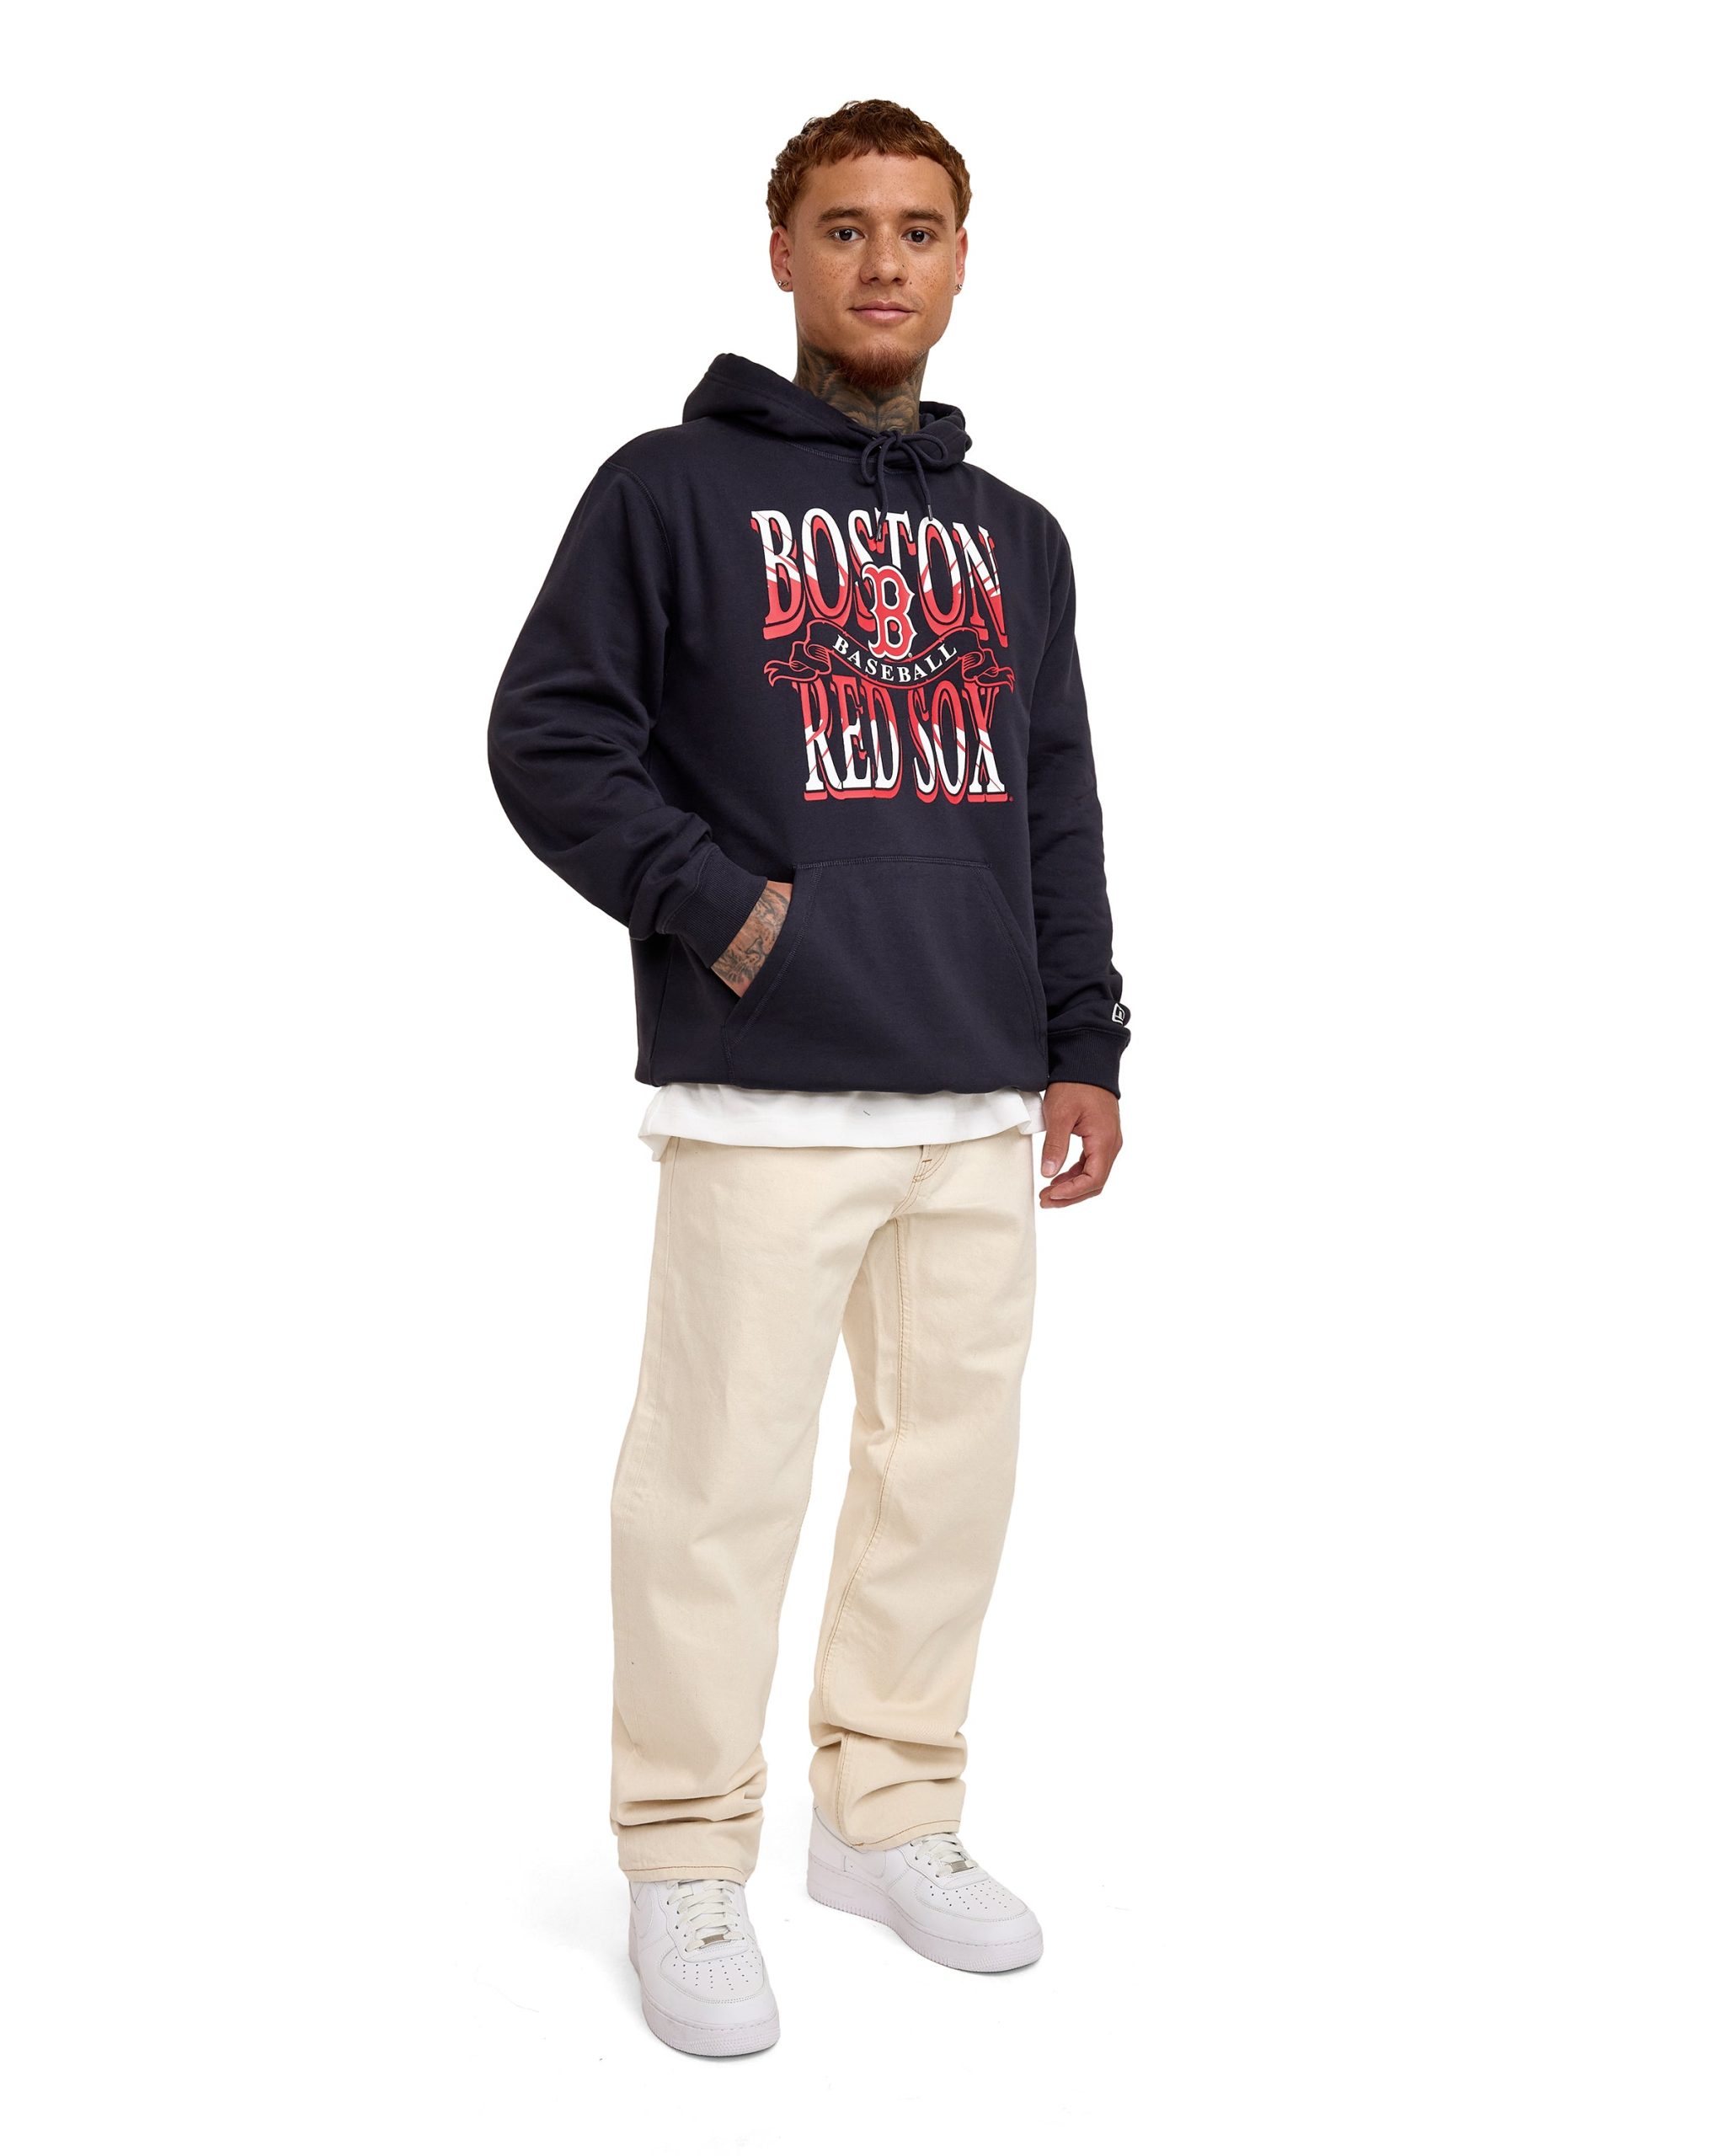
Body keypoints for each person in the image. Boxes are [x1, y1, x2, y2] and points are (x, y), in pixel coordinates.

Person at [488, 98, 1130, 2057]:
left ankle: (888, 1814)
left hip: (971, 1093)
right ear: (782, 255)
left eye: (917, 228)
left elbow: (1054, 800)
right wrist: (728, 914)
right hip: (762, 1094)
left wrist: (1082, 1037)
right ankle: (686, 1849)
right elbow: (549, 733)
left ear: (960, 260)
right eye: (843, 226)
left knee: (945, 1482)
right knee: (716, 1486)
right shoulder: (668, 489)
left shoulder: (1015, 536)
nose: (881, 261)